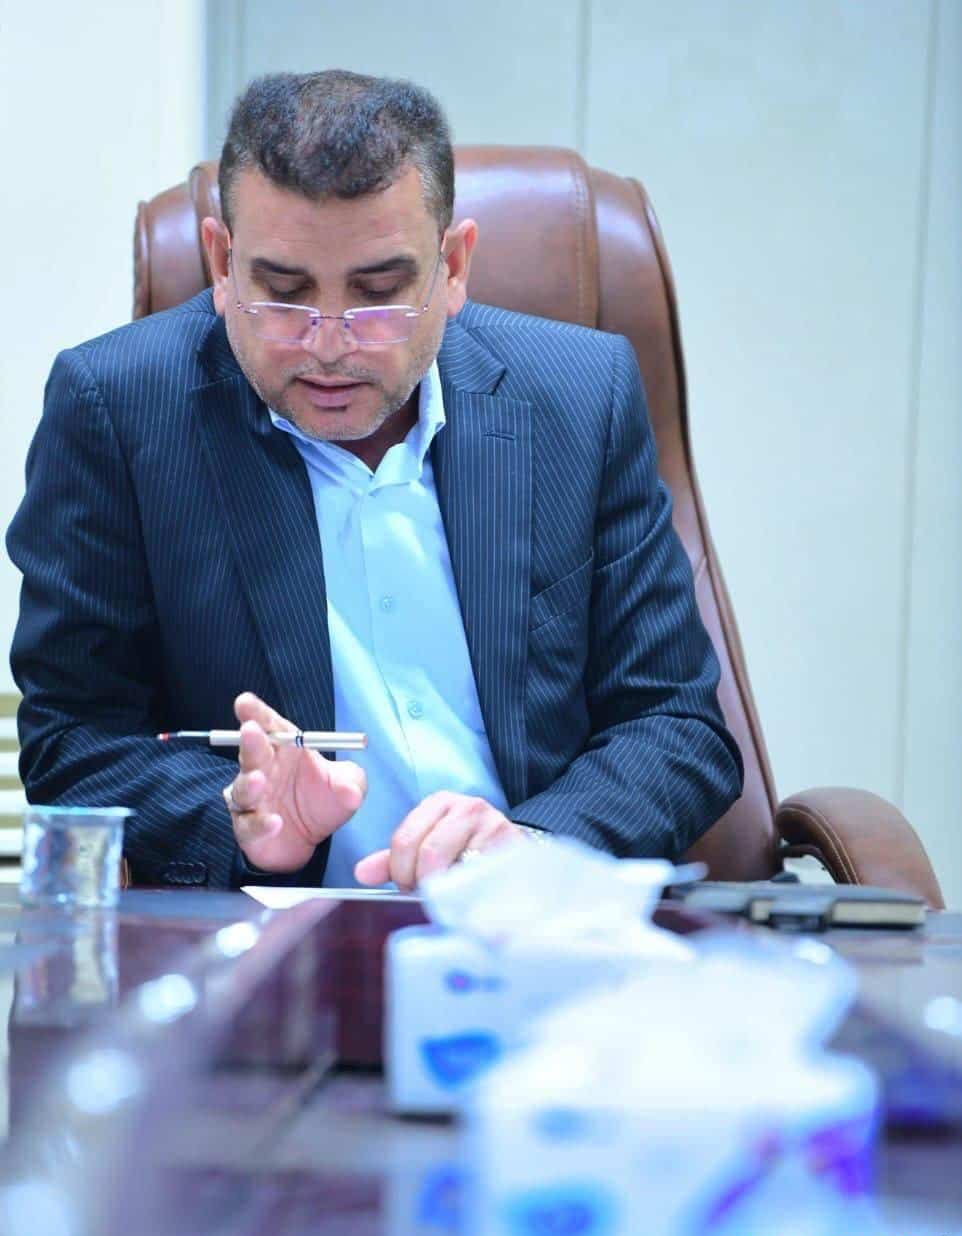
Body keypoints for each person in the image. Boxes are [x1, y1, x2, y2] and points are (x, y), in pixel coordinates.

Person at [7, 70, 742, 892]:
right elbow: (75, 740)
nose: (329, 345)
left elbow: (674, 723)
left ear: (453, 267)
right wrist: (236, 821)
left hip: (531, 927)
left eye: (379, 293)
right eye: (284, 294)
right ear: (221, 263)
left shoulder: (579, 396)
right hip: (275, 936)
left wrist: (535, 844)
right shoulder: (117, 411)